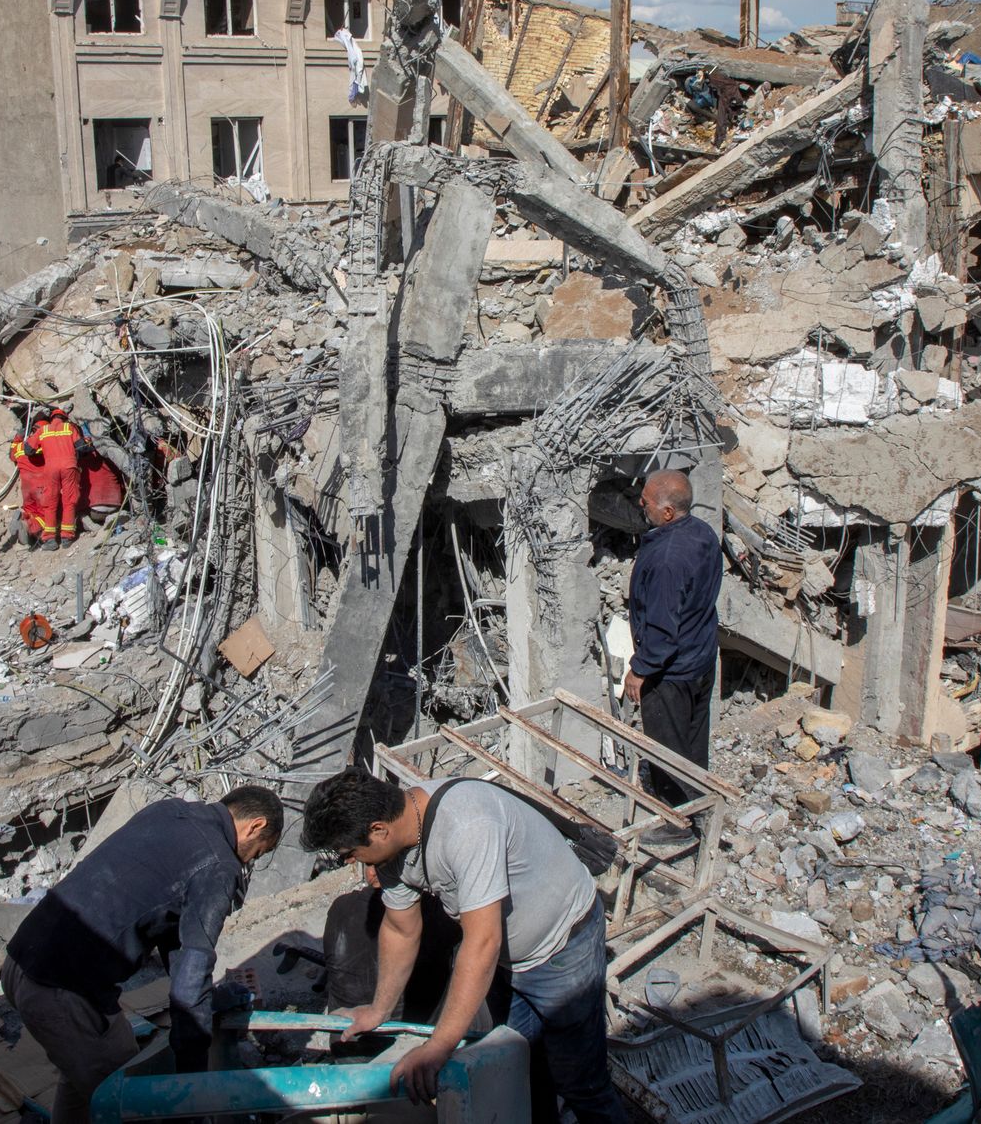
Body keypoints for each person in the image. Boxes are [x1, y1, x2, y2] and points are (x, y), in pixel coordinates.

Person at [301, 769, 627, 1124]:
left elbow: (482, 942)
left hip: (562, 950)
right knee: (518, 1068)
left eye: (349, 852)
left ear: (379, 830)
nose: (351, 862)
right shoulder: (394, 846)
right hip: (506, 961)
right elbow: (400, 929)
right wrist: (379, 1009)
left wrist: (438, 1046)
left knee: (580, 1082)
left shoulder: (467, 826)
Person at [2, 787, 283, 1124]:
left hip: (22, 959)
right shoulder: (219, 866)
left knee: (104, 1063)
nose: (249, 860)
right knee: (131, 1101)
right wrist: (191, 1092)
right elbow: (191, 976)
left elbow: (172, 936)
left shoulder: (168, 811)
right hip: (60, 990)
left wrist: (210, 998)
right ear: (255, 825)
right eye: (258, 852)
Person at [626, 469, 721, 829]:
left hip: (672, 673)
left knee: (665, 749)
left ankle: (676, 822)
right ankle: (701, 804)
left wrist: (640, 669)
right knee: (693, 740)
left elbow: (663, 628)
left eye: (647, 501)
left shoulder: (668, 558)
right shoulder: (702, 533)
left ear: (667, 512)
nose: (640, 504)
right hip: (699, 657)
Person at [23, 406, 93, 550]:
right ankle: (67, 536)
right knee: (70, 500)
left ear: (51, 418)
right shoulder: (69, 428)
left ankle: (50, 540)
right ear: (64, 418)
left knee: (50, 502)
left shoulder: (43, 430)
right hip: (69, 466)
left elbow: (28, 450)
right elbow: (81, 448)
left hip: (50, 469)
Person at [9, 430, 55, 550]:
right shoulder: (41, 445)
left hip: (26, 487)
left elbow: (11, 456)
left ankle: (24, 518)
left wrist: (17, 439)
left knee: (31, 511)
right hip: (40, 486)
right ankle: (28, 526)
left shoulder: (19, 447)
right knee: (46, 514)